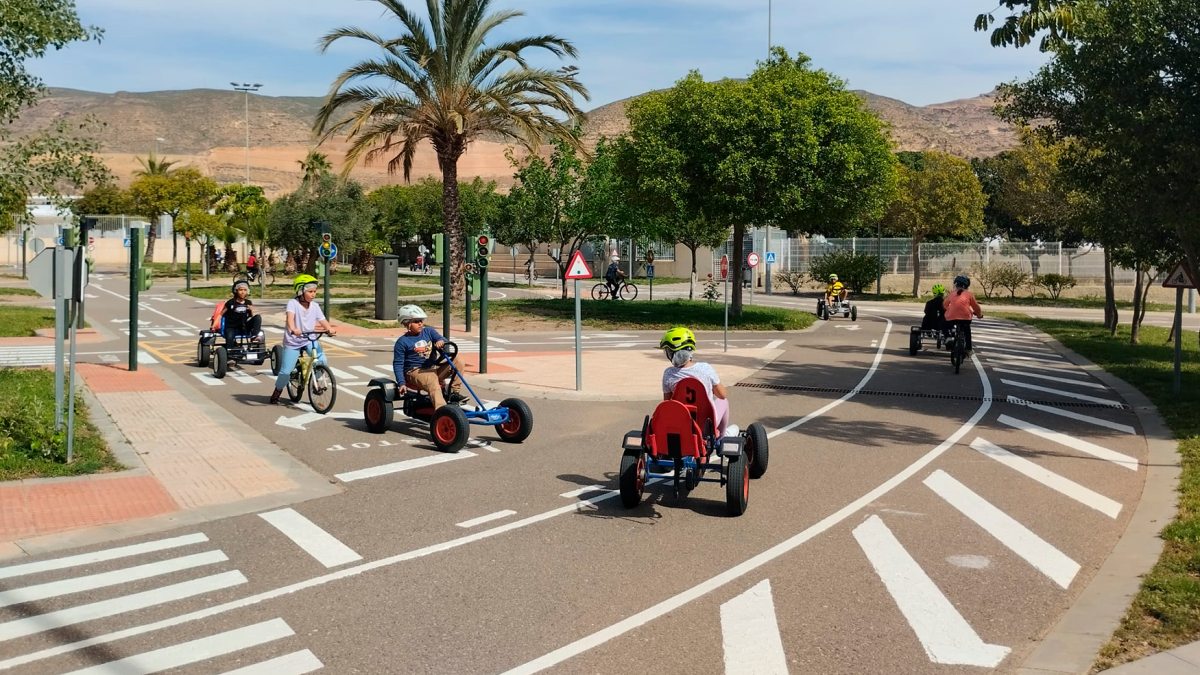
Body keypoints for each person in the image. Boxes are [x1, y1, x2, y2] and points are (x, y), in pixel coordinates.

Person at [270, 274, 338, 404]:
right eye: (310, 291)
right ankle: (278, 390)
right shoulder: (293, 304)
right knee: (286, 372)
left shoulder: (315, 306)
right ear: (301, 291)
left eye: (315, 292)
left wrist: (329, 328)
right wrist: (293, 329)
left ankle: (315, 382)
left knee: (322, 359)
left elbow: (322, 320)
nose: (313, 294)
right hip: (293, 341)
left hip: (309, 339)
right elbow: (290, 318)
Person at [659, 326, 730, 437]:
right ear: (689, 350)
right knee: (723, 401)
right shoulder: (705, 368)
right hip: (707, 422)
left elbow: (667, 403)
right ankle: (720, 436)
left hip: (681, 423)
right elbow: (722, 394)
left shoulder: (668, 374)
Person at [391, 304, 465, 408]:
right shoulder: (402, 342)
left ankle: (454, 392)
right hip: (415, 371)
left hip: (432, 367)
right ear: (406, 323)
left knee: (457, 360)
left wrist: (440, 341)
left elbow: (441, 339)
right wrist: (401, 383)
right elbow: (398, 364)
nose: (420, 324)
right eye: (416, 321)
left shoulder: (428, 332)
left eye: (421, 321)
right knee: (432, 381)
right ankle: (442, 410)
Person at [212, 280, 263, 344]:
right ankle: (229, 350)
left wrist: (251, 310)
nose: (243, 292)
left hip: (243, 327)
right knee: (230, 337)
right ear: (236, 291)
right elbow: (221, 315)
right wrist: (213, 326)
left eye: (245, 290)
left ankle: (254, 336)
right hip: (231, 328)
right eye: (241, 290)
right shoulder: (230, 303)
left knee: (257, 317)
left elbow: (251, 316)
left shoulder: (248, 303)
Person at [943, 274, 983, 351]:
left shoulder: (951, 294)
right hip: (966, 318)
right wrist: (979, 315)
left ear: (956, 284)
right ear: (967, 286)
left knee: (945, 324)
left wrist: (950, 309)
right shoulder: (969, 295)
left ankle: (948, 337)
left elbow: (945, 305)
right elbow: (976, 307)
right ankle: (969, 349)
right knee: (967, 331)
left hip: (952, 318)